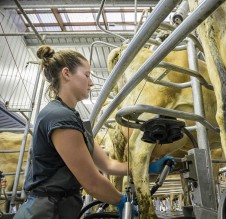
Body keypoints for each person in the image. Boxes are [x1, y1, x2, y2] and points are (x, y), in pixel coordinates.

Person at [14, 45, 175, 219]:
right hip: (45, 211)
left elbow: (107, 165)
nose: (91, 82)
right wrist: (120, 201)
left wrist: (149, 167)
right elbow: (91, 182)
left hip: (61, 208)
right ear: (66, 73)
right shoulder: (59, 118)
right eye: (86, 75)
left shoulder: (74, 120)